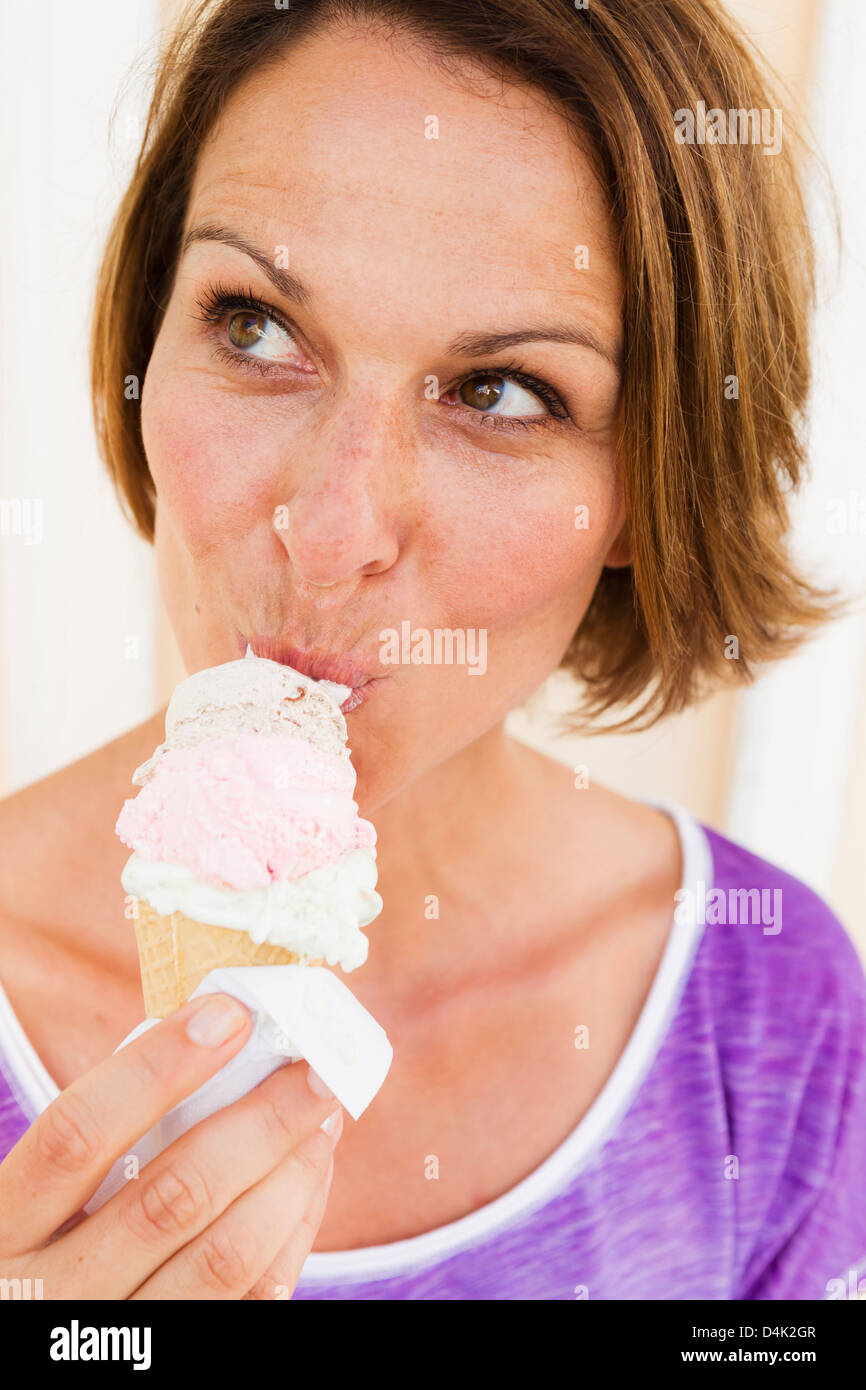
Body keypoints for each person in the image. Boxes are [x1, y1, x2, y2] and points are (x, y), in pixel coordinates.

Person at [0, 0, 863, 1300]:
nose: (333, 531)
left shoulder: (765, 1016)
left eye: (499, 392)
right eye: (255, 326)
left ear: (648, 486)